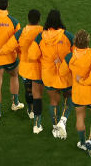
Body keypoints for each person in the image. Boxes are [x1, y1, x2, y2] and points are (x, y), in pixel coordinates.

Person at [28, 9, 75, 139]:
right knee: (69, 96)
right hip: (65, 75)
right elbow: (76, 54)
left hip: (49, 76)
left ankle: (55, 129)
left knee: (54, 101)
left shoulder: (40, 37)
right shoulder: (68, 36)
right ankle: (63, 120)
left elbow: (32, 55)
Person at [66, 29, 91, 157]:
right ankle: (90, 140)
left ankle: (82, 143)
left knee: (80, 118)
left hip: (78, 95)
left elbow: (61, 72)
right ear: (88, 42)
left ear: (75, 42)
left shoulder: (70, 56)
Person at [14, 9, 44, 132]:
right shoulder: (43, 33)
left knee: (28, 90)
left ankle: (30, 110)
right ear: (39, 19)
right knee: (38, 96)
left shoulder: (21, 32)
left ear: (28, 19)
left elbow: (12, 45)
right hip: (38, 69)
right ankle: (37, 125)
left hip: (25, 68)